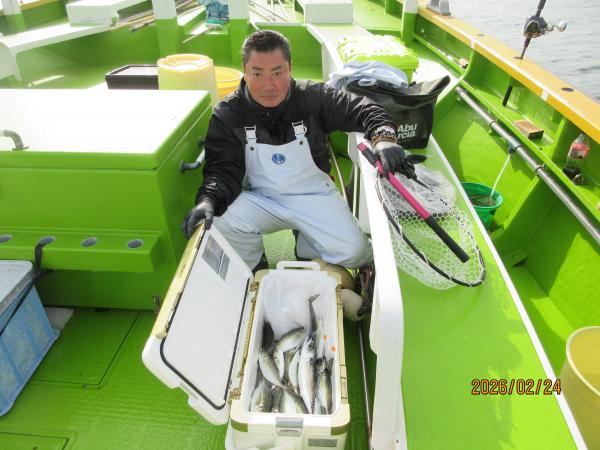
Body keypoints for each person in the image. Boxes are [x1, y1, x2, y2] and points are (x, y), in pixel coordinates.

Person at [181, 30, 408, 271]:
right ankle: (253, 266)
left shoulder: (313, 97)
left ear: (290, 68)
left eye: (277, 73)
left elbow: (365, 109)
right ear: (245, 72)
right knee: (219, 217)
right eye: (257, 74)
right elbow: (221, 171)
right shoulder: (228, 114)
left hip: (313, 196)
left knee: (357, 253)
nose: (268, 85)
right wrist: (208, 200)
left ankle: (307, 248)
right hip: (262, 198)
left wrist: (384, 138)